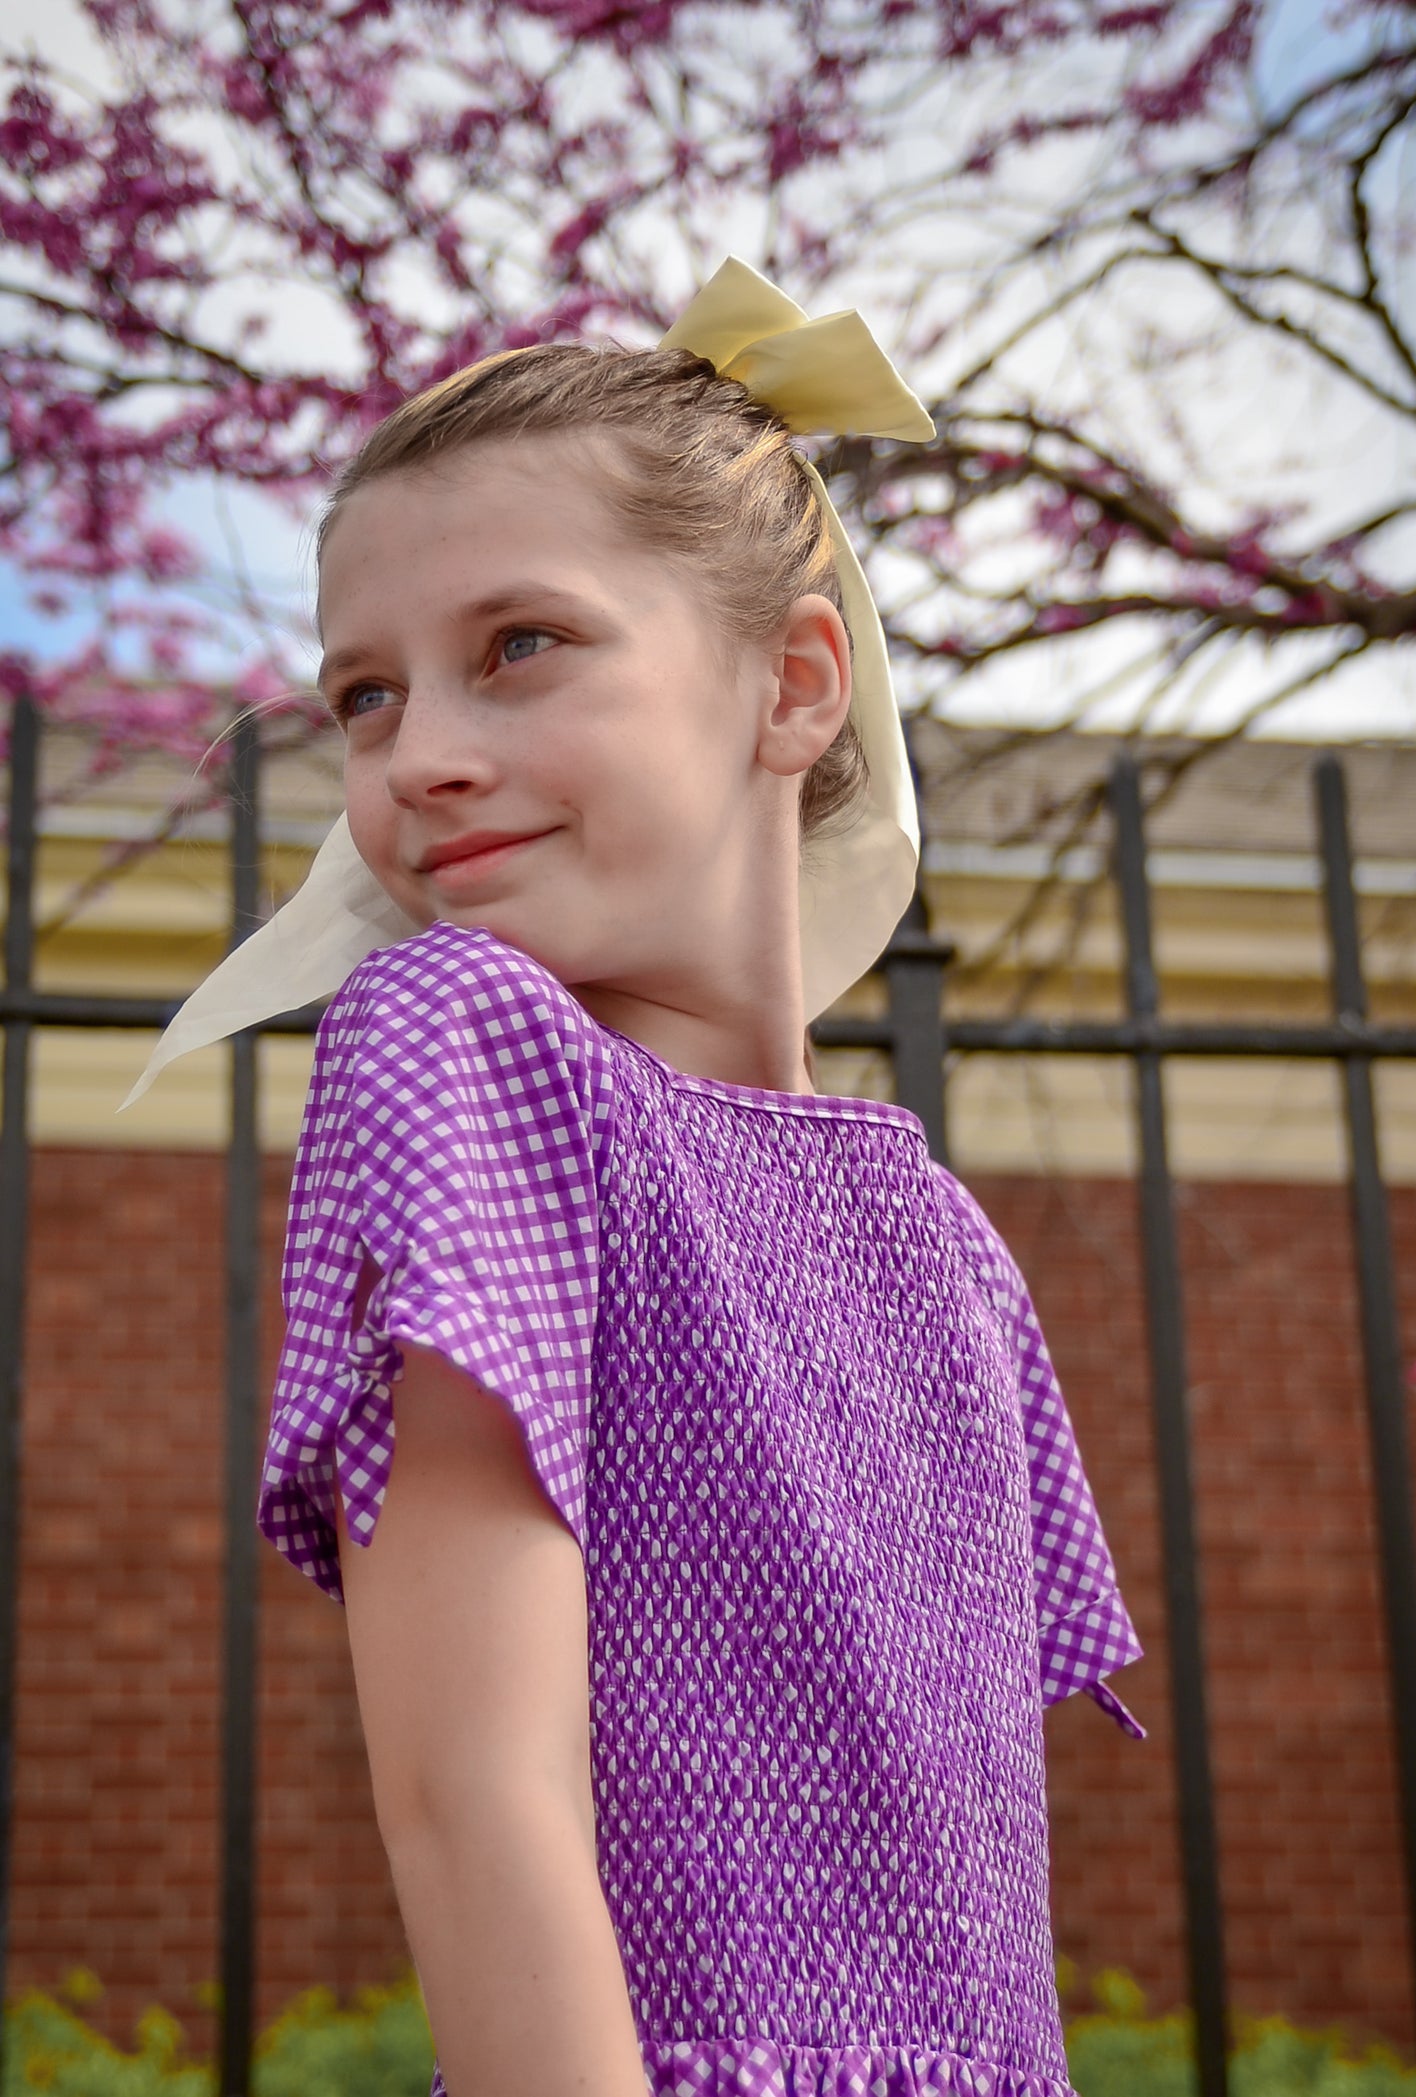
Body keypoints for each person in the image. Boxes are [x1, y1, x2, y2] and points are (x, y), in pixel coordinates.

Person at [125, 259, 1143, 2097]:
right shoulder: (466, 1046)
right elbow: (470, 1794)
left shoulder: (942, 1239)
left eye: (518, 644)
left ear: (794, 684)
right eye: (365, 694)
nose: (419, 754)